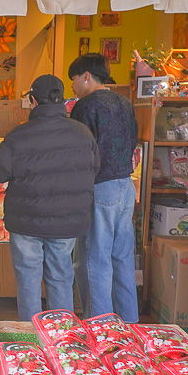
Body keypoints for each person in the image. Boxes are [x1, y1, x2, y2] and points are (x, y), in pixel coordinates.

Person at [0, 74, 99, 321]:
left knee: (28, 278)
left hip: (26, 221)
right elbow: (95, 169)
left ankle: (31, 336)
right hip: (67, 220)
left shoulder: (19, 135)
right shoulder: (83, 133)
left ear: (32, 100)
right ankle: (61, 339)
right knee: (61, 275)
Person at [69, 53, 140, 321]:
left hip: (100, 188)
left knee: (94, 259)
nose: (73, 86)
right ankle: (129, 324)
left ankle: (100, 328)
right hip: (125, 186)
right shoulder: (124, 102)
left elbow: (81, 152)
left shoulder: (85, 106)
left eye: (74, 79)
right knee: (122, 258)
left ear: (86, 76)